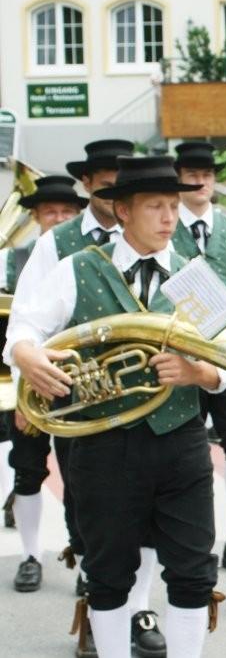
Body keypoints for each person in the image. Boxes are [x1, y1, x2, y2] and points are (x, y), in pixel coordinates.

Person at [9, 155, 226, 658]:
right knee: (107, 573)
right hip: (101, 443)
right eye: (156, 206)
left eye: (174, 205)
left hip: (180, 439)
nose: (170, 218)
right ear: (124, 211)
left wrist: (198, 373)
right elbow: (24, 326)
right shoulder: (79, 268)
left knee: (194, 571)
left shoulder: (192, 275)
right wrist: (26, 354)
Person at [5, 139, 135, 656]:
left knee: (150, 516)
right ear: (88, 185)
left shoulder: (157, 235)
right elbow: (25, 325)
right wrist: (26, 384)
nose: (114, 193)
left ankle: (136, 610)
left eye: (122, 184)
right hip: (79, 398)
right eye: (104, 184)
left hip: (153, 400)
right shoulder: (55, 244)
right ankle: (94, 609)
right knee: (87, 508)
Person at [171, 141, 226, 580]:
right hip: (179, 350)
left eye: (206, 174)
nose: (201, 181)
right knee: (186, 445)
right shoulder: (164, 226)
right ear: (178, 180)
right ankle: (196, 537)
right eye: (191, 174)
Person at [2, 175, 86, 589]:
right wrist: (21, 392)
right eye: (50, 211)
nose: (58, 218)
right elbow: (17, 326)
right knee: (27, 469)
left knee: (79, 476)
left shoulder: (89, 253)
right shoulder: (14, 258)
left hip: (79, 379)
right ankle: (31, 555)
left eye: (66, 211)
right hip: (29, 380)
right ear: (35, 216)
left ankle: (83, 556)